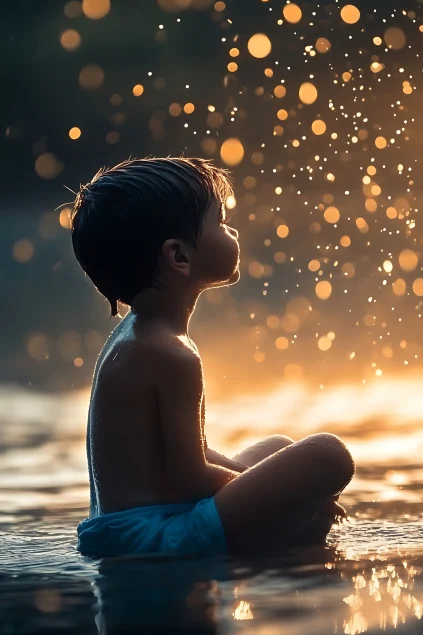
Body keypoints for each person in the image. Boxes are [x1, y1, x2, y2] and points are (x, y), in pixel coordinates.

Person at [71, 156, 355, 558]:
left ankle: (288, 525)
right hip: (157, 537)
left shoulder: (137, 336)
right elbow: (190, 479)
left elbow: (192, 457)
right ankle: (291, 536)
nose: (232, 231)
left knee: (276, 446)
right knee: (328, 456)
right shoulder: (171, 353)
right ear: (179, 257)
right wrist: (288, 494)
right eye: (220, 221)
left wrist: (268, 483)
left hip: (127, 528)